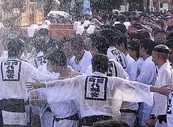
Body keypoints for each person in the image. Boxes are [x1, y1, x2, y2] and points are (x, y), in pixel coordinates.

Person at [31, 54, 170, 127]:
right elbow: (135, 86)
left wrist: (42, 85)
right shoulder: (113, 81)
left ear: (92, 66)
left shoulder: (82, 80)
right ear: (106, 68)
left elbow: (61, 84)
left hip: (87, 123)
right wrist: (157, 89)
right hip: (107, 123)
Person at [0, 38, 54, 127]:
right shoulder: (26, 66)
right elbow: (43, 78)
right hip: (20, 112)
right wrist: (63, 78)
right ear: (20, 51)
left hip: (3, 112)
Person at [146, 44, 172, 127]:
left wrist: (153, 116)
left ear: (157, 56)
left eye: (153, 54)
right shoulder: (164, 68)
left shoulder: (165, 71)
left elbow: (163, 96)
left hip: (163, 116)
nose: (151, 57)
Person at [137, 39, 157, 127]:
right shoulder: (149, 61)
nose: (139, 50)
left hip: (148, 98)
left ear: (144, 49)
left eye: (140, 48)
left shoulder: (148, 63)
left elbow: (141, 82)